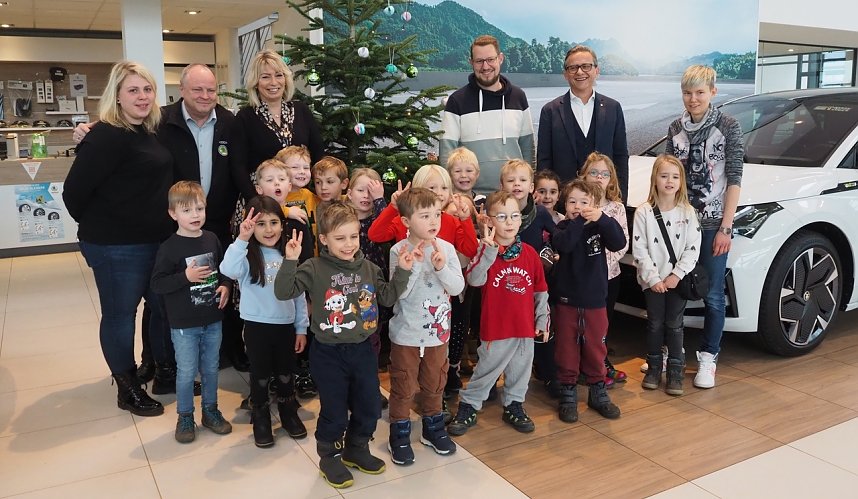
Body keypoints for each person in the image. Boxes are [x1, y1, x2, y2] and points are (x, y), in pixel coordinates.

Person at [74, 63, 252, 376]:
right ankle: (141, 373)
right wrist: (101, 224)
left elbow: (238, 166)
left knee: (168, 302)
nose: (204, 95)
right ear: (181, 91)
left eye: (211, 89)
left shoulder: (219, 121)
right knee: (131, 310)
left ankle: (172, 367)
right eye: (196, 89)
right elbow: (75, 194)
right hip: (133, 239)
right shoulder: (159, 121)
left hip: (188, 230)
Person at [274, 201, 413, 489]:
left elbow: (387, 298)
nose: (349, 244)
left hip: (363, 349)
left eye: (353, 236)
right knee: (335, 410)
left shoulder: (369, 268)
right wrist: (290, 261)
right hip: (328, 353)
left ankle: (356, 448)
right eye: (340, 238)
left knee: (369, 404)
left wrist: (403, 271)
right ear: (324, 239)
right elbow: (284, 291)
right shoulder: (313, 267)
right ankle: (329, 456)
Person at [63, 60, 173, 417]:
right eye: (133, 90)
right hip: (116, 247)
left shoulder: (148, 131)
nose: (142, 97)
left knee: (158, 307)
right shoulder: (106, 135)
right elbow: (73, 193)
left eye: (147, 89)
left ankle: (151, 367)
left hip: (154, 240)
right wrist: (103, 228)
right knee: (120, 315)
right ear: (118, 96)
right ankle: (127, 388)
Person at [664, 65, 744, 389]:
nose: (692, 99)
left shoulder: (729, 126)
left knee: (712, 294)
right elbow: (667, 175)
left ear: (713, 92)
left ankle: (709, 357)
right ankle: (672, 353)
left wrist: (726, 227)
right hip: (680, 222)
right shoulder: (674, 127)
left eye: (699, 92)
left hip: (713, 224)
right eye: (687, 92)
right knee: (676, 288)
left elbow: (735, 179)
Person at [448, 191, 549, 436]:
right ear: (490, 221)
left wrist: (542, 320)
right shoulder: (487, 252)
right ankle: (469, 404)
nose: (509, 221)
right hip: (497, 329)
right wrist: (489, 250)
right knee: (487, 370)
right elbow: (474, 278)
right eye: (502, 216)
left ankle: (514, 404)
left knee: (520, 372)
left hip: (524, 329)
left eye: (514, 215)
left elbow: (540, 290)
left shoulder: (530, 254)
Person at [220, 196, 310, 448]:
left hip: (285, 327)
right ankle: (260, 417)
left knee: (285, 374)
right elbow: (227, 269)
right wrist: (242, 239)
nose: (268, 229)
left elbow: (300, 295)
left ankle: (288, 413)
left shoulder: (290, 253)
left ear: (283, 225)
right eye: (261, 224)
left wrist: (301, 328)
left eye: (274, 222)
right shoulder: (247, 255)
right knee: (259, 376)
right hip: (257, 327)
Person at [150, 181, 233, 443]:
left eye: (199, 208)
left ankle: (210, 411)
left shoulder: (211, 239)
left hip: (212, 319)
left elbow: (223, 270)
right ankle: (185, 415)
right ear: (173, 214)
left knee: (210, 369)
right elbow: (157, 284)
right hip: (184, 323)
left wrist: (226, 286)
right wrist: (185, 276)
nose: (195, 215)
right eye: (187, 211)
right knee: (186, 372)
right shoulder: (169, 248)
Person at [386, 188, 464, 466]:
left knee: (435, 382)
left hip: (437, 333)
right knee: (403, 383)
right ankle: (400, 431)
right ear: (406, 221)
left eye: (437, 214)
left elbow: (457, 286)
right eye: (424, 215)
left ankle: (433, 428)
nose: (434, 221)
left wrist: (441, 267)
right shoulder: (398, 250)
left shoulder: (447, 248)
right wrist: (415, 265)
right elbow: (400, 294)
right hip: (406, 333)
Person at [551, 180, 626, 423]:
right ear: (565, 204)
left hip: (595, 299)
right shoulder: (562, 228)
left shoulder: (600, 227)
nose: (578, 206)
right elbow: (565, 244)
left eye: (584, 202)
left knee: (596, 346)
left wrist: (602, 219)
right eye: (572, 201)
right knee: (566, 347)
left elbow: (619, 242)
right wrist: (577, 222)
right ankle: (568, 391)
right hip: (566, 300)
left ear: (594, 205)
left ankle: (597, 389)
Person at [632, 155, 701, 396]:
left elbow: (693, 247)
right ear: (655, 180)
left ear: (681, 181)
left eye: (675, 176)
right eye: (664, 176)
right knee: (654, 324)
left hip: (676, 282)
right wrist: (653, 279)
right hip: (653, 282)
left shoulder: (688, 212)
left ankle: (675, 370)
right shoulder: (644, 212)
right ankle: (653, 367)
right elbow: (639, 249)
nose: (669, 181)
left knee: (674, 325)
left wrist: (676, 275)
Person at [439, 35, 535, 195]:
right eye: (479, 61)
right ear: (471, 62)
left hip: (513, 197)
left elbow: (528, 149)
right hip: (470, 198)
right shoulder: (457, 101)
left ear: (501, 58)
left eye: (490, 59)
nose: (485, 66)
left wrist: (529, 186)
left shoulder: (518, 97)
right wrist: (449, 193)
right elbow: (446, 154)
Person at [536, 45, 629, 202]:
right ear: (566, 74)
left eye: (586, 66)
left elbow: (620, 156)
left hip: (604, 203)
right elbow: (544, 161)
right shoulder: (550, 111)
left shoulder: (613, 108)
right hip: (564, 204)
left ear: (596, 71)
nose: (580, 72)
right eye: (573, 68)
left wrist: (620, 200)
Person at [498, 159, 558, 398]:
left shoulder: (540, 212)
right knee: (503, 332)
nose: (517, 184)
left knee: (541, 326)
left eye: (522, 180)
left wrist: (552, 253)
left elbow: (555, 236)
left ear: (531, 186)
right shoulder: (498, 210)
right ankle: (496, 379)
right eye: (511, 180)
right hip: (505, 283)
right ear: (502, 185)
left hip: (534, 281)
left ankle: (548, 373)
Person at [579, 153, 629, 387]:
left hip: (609, 276)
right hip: (583, 278)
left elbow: (622, 242)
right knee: (583, 324)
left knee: (604, 322)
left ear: (611, 180)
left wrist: (602, 263)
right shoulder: (578, 204)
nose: (599, 178)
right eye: (594, 173)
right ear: (584, 175)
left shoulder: (616, 208)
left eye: (604, 174)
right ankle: (583, 364)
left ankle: (602, 362)